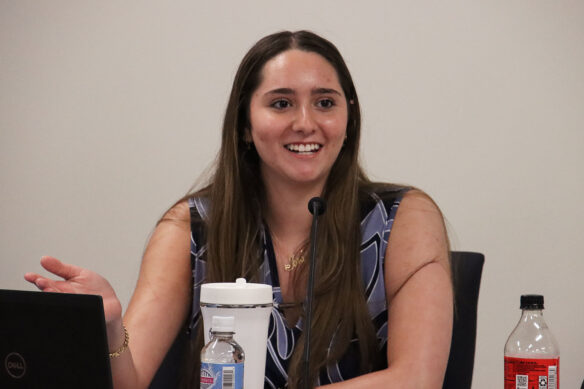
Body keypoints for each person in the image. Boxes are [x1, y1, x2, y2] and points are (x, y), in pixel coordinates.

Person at [25, 30, 452, 388]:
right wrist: (110, 328)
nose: (306, 122)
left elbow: (417, 379)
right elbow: (130, 380)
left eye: (325, 102)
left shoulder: (403, 218)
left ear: (348, 117)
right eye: (281, 103)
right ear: (246, 125)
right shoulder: (190, 228)